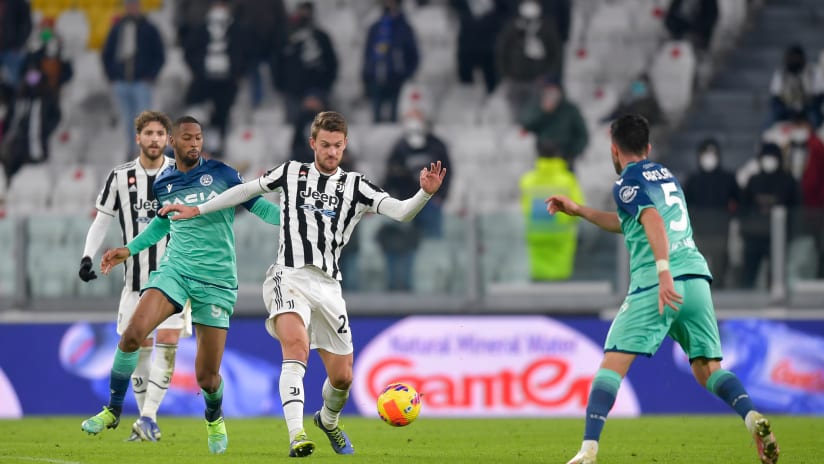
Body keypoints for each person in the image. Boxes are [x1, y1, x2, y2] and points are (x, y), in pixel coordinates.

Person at [159, 111, 446, 457]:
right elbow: (244, 190)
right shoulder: (291, 172)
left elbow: (401, 212)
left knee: (342, 378)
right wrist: (199, 210)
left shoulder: (357, 185)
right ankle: (296, 435)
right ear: (313, 143)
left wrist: (424, 194)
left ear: (345, 145)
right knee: (295, 347)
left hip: (328, 286)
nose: (331, 152)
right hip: (288, 275)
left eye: (337, 146)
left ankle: (327, 420)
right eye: (325, 145)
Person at [546, 114, 779, 464]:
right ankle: (752, 417)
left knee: (611, 366)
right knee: (708, 369)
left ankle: (588, 451)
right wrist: (580, 211)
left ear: (614, 150)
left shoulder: (626, 181)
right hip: (697, 280)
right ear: (648, 147)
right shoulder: (666, 176)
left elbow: (651, 220)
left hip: (658, 284)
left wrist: (664, 274)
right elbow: (632, 221)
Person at [81, 116, 281, 455]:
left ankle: (214, 417)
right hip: (175, 270)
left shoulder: (223, 174)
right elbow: (162, 225)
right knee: (132, 334)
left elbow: (260, 207)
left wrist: (294, 219)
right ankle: (113, 410)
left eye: (198, 138)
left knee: (206, 377)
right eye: (187, 138)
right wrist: (128, 250)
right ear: (174, 141)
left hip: (217, 280)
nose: (194, 144)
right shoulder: (165, 182)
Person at [79, 111, 188, 442]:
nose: (154, 139)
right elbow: (102, 219)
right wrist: (86, 255)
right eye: (148, 133)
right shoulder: (119, 176)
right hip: (135, 282)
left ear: (167, 139)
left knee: (168, 343)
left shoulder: (180, 174)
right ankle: (144, 423)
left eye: (160, 133)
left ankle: (148, 417)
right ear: (137, 137)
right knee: (137, 346)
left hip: (175, 279)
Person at [683, 137, 740, 288]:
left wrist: (732, 218)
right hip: (699, 233)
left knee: (720, 267)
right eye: (705, 154)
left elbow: (740, 202)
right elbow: (684, 205)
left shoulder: (728, 178)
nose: (709, 158)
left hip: (721, 232)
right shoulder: (693, 180)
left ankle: (719, 292)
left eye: (712, 154)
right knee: (697, 268)